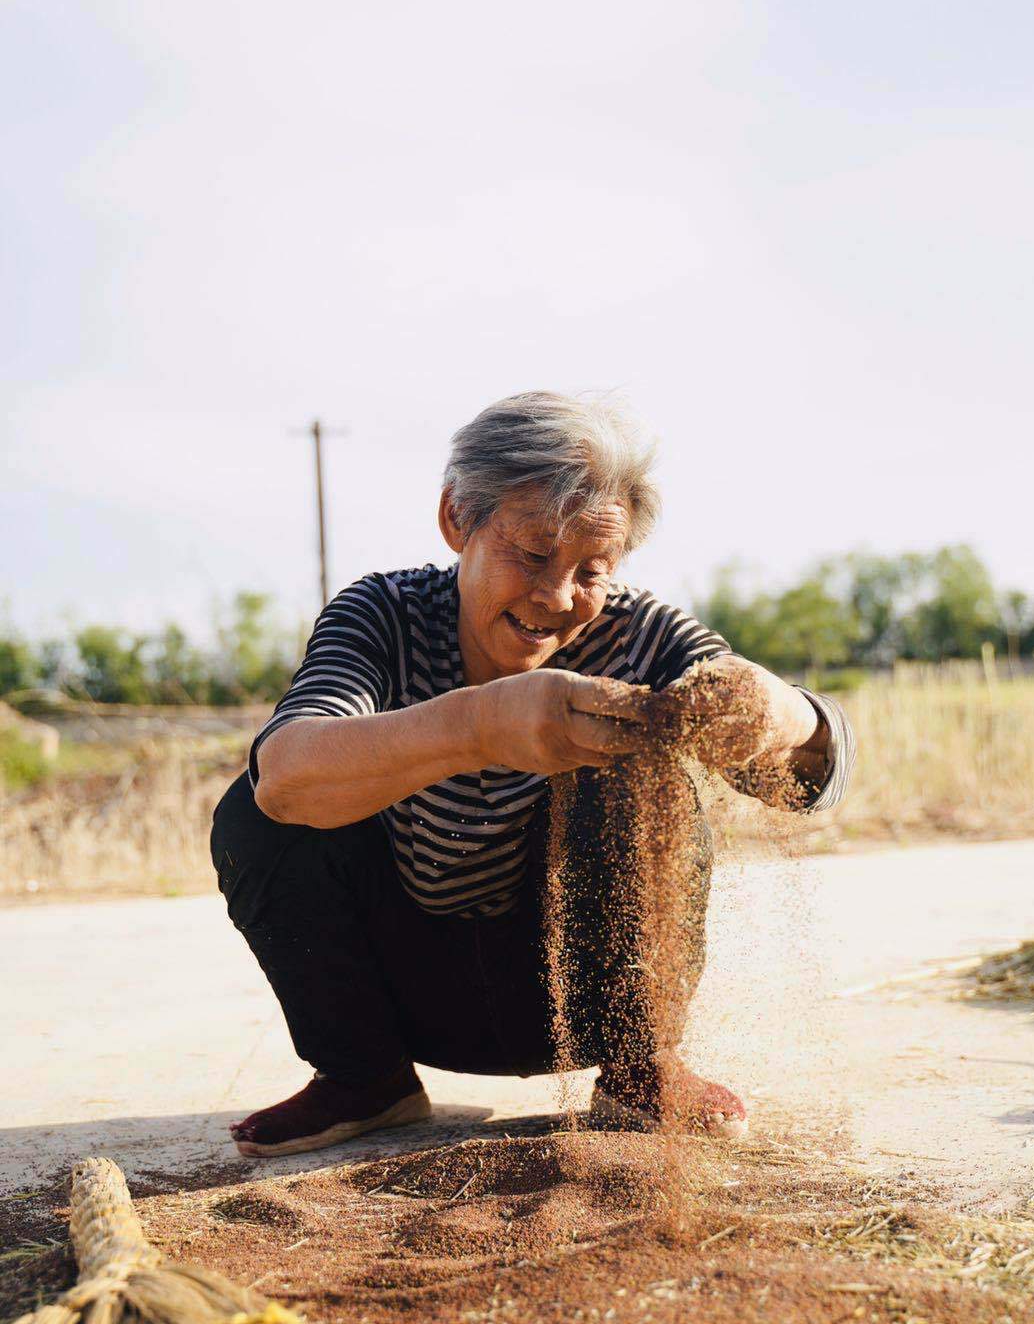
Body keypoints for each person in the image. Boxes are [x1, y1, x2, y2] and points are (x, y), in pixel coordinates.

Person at [211, 392, 853, 1157]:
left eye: (591, 568)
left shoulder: (638, 633)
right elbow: (285, 774)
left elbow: (811, 770)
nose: (556, 598)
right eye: (532, 554)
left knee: (638, 771)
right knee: (253, 809)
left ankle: (641, 1067)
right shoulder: (381, 614)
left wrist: (783, 714)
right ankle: (364, 1079)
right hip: (411, 990)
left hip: (578, 998)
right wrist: (477, 727)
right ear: (458, 520)